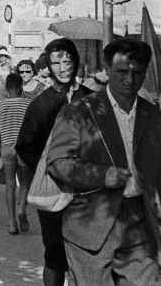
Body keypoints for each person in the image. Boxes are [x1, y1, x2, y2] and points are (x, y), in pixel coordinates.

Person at [45, 38, 161, 285]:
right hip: (90, 225)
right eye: (121, 72)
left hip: (140, 224)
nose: (129, 80)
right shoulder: (79, 111)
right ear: (107, 70)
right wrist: (101, 175)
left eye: (137, 73)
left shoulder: (153, 115)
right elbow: (57, 162)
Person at [15, 38, 92, 286]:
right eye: (56, 62)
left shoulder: (89, 98)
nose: (62, 67)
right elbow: (25, 147)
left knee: (87, 253)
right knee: (55, 254)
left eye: (67, 60)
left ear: (76, 62)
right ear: (49, 66)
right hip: (54, 188)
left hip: (88, 188)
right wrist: (47, 167)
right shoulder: (41, 104)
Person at [0, 73, 32, 234]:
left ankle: (11, 223)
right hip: (23, 148)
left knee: (10, 184)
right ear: (20, 87)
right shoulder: (28, 104)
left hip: (7, 147)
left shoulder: (1, 105)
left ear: (7, 88)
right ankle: (22, 208)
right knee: (24, 183)